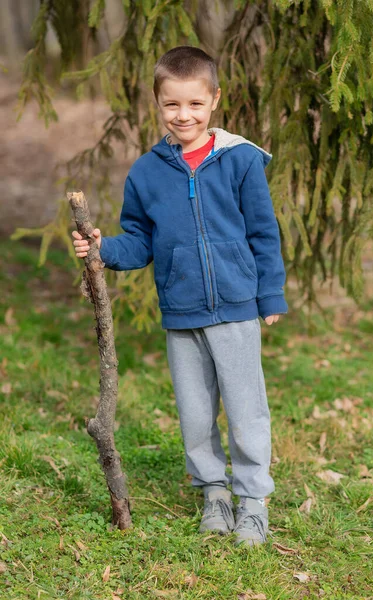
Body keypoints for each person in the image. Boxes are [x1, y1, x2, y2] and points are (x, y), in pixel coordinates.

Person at [72, 46, 288, 546]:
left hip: (235, 307)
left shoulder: (240, 160)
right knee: (194, 410)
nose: (183, 115)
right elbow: (140, 240)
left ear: (214, 100)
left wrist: (269, 294)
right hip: (182, 311)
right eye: (172, 105)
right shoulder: (147, 173)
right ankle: (214, 492)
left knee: (245, 406)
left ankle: (252, 499)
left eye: (195, 104)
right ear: (157, 103)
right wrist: (102, 247)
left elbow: (263, 232)